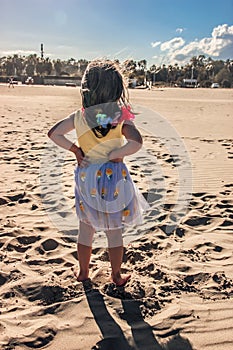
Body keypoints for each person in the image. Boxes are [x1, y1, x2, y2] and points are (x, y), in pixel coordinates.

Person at [48, 60, 149, 287]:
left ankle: (83, 272)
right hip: (113, 178)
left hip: (87, 177)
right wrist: (117, 154)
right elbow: (137, 142)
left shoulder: (79, 116)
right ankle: (116, 275)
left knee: (86, 228)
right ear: (116, 89)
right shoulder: (117, 118)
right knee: (114, 230)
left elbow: (54, 134)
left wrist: (75, 150)